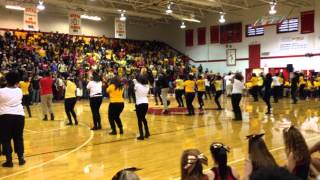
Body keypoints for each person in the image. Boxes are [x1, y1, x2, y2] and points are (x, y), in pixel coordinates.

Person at [0, 71, 26, 167]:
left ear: (7, 80)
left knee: (6, 139)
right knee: (18, 138)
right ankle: (21, 159)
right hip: (19, 116)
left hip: (5, 116)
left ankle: (9, 161)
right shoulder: (19, 90)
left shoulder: (1, 91)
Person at [134, 75, 150, 140]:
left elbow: (134, 90)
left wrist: (135, 82)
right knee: (143, 118)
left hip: (139, 104)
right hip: (146, 103)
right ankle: (147, 132)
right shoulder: (147, 86)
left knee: (139, 120)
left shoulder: (137, 85)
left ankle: (141, 135)